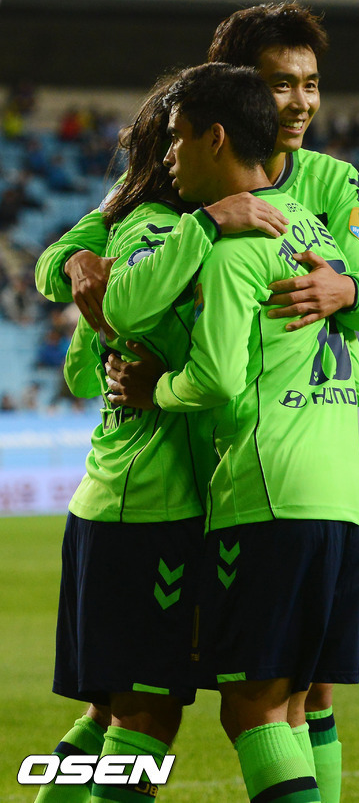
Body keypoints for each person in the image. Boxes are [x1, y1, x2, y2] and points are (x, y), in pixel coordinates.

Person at [35, 2, 359, 803]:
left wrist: (345, 289)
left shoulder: (331, 183)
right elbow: (71, 270)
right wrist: (81, 268)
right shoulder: (163, 195)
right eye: (277, 85)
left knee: (283, 697)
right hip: (179, 495)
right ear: (233, 97)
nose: (296, 103)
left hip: (236, 487)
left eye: (309, 84)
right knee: (142, 710)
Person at [104, 61, 359, 803]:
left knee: (251, 710)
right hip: (343, 499)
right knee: (294, 705)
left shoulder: (232, 249)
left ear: (215, 138)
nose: (170, 155)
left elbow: (217, 378)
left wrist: (156, 389)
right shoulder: (313, 231)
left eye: (179, 138)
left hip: (268, 496)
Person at [33, 79, 290, 803]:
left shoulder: (140, 227)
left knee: (109, 712)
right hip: (148, 503)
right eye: (172, 138)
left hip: (124, 499)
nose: (179, 152)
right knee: (146, 714)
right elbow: (102, 312)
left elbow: (81, 364)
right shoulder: (154, 226)